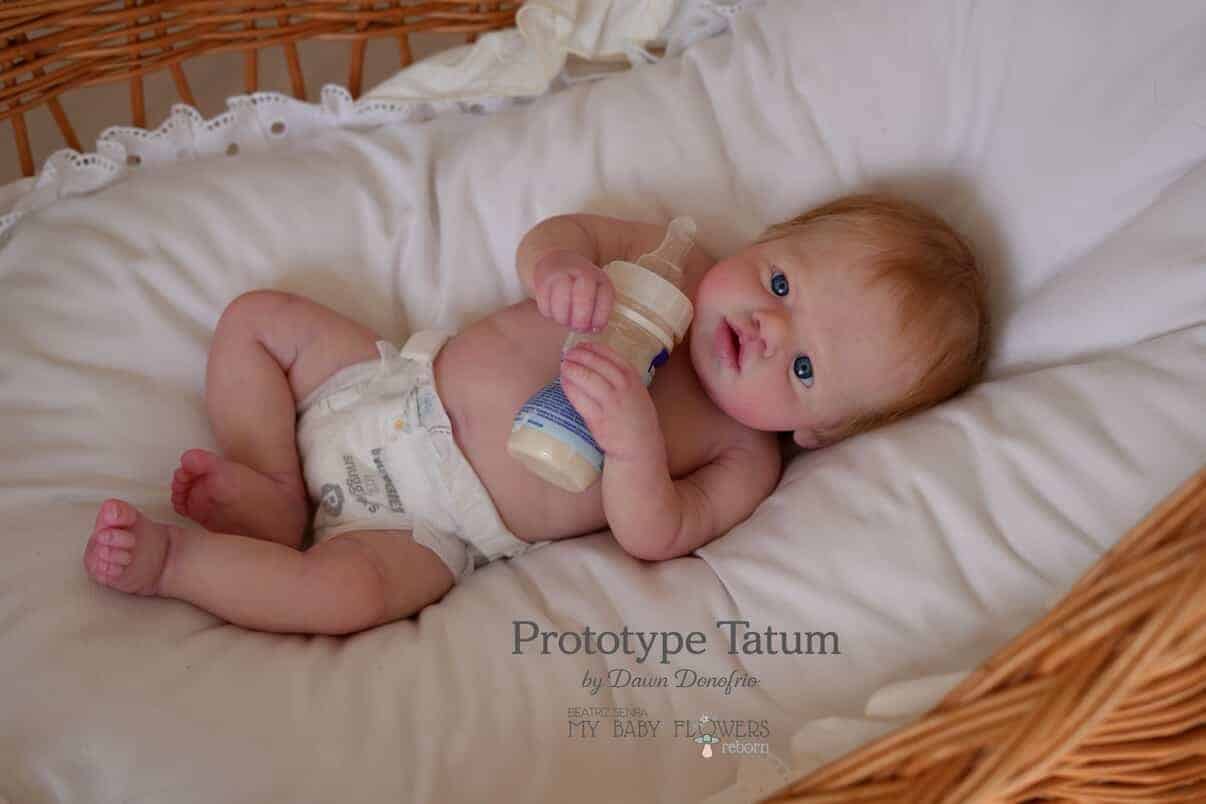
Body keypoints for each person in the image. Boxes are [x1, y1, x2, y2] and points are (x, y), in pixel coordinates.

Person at [82, 193, 989, 634]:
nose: (766, 327)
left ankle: (180, 563)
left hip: (432, 526)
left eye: (803, 366)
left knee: (343, 597)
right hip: (389, 382)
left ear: (815, 430)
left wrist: (633, 443)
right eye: (781, 283)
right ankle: (274, 486)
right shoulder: (671, 261)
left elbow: (658, 534)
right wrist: (561, 269)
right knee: (257, 320)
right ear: (766, 238)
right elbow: (564, 233)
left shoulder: (743, 454)